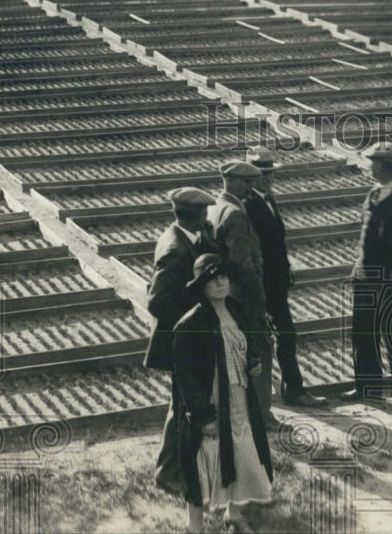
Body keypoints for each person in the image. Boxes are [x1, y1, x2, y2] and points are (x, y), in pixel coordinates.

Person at [172, 254, 274, 533]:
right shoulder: (190, 325)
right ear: (201, 286)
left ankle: (235, 514)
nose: (220, 282)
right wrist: (203, 416)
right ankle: (195, 526)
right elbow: (186, 378)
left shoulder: (235, 310)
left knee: (241, 455)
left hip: (239, 400)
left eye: (224, 277)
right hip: (212, 404)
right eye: (212, 278)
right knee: (204, 467)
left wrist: (252, 363)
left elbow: (246, 345)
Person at [144, 186, 217, 495]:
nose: (207, 216)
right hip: (181, 342)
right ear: (197, 214)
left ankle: (172, 469)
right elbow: (158, 303)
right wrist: (189, 320)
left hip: (184, 340)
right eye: (204, 212)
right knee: (183, 407)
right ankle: (169, 473)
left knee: (181, 404)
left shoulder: (185, 238)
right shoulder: (175, 250)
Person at [341, 142, 392, 403]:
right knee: (363, 334)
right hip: (365, 278)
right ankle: (366, 387)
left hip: (391, 282)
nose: (370, 167)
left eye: (373, 163)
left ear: (385, 167)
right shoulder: (373, 194)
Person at [244, 148, 327, 408]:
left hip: (276, 280)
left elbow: (276, 242)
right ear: (250, 176)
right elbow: (255, 249)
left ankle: (286, 390)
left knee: (283, 335)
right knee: (282, 335)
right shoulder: (247, 205)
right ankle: (290, 391)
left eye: (271, 173)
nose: (268, 178)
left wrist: (286, 267)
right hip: (264, 283)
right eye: (262, 174)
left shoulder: (268, 198)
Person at [208, 161, 278, 429]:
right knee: (259, 350)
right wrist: (258, 297)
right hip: (244, 298)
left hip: (226, 297)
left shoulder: (215, 208)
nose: (251, 188)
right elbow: (242, 263)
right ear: (232, 181)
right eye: (246, 183)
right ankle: (262, 415)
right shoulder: (235, 213)